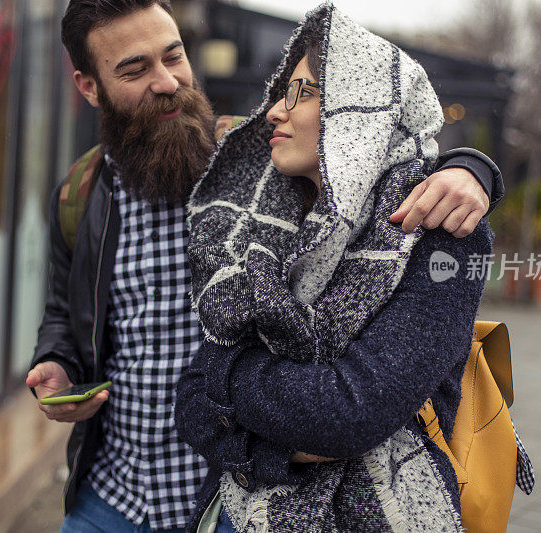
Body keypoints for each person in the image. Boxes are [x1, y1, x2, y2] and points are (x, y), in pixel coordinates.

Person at [26, 1, 505, 531]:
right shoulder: (81, 194)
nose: (167, 81)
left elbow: (373, 162)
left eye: (174, 56)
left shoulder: (257, 162)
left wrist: (472, 168)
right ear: (89, 86)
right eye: (135, 70)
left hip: (224, 498)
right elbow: (63, 309)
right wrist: (58, 359)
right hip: (111, 495)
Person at [176, 3, 495, 532]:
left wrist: (223, 373)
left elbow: (347, 414)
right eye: (281, 91)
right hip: (234, 513)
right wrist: (280, 453)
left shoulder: (443, 233)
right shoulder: (271, 222)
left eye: (302, 93)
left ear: (360, 111)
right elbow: (188, 406)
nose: (275, 110)